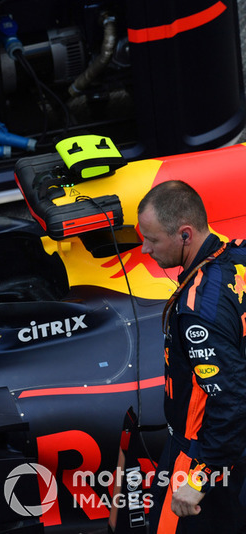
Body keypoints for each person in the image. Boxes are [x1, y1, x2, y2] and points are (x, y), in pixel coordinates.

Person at [137, 180, 246, 533]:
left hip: (203, 453)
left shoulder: (198, 311)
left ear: (185, 234)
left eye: (152, 239)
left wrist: (200, 477)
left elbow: (230, 401)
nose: (144, 249)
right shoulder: (240, 255)